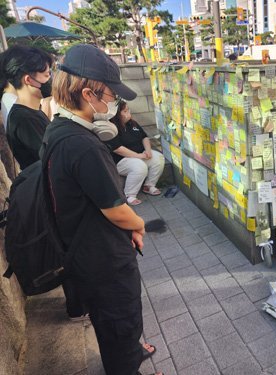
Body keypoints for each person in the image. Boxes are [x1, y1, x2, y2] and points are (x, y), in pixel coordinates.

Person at [43, 44, 161, 375]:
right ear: (87, 93)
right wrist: (138, 224)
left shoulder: (60, 131)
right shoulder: (81, 145)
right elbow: (116, 210)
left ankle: (127, 357)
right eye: (110, 95)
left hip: (86, 253)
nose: (114, 104)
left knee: (110, 324)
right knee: (120, 322)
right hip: (103, 260)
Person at [2, 45, 53, 169]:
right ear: (29, 80)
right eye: (47, 75)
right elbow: (51, 160)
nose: (50, 79)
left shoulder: (32, 112)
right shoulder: (23, 118)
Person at [107, 100, 165, 206]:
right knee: (139, 166)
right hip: (121, 161)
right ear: (116, 114)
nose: (129, 112)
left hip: (139, 155)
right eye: (125, 111)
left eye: (128, 109)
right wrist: (138, 156)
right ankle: (129, 195)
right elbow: (117, 148)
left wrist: (147, 150)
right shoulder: (111, 128)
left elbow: (144, 137)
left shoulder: (132, 123)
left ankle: (149, 185)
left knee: (158, 157)